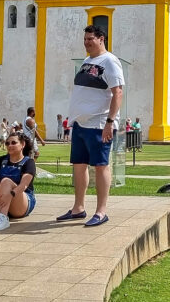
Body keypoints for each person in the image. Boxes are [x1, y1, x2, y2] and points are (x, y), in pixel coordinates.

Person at [58, 24, 123, 227]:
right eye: (85, 39)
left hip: (98, 123)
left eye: (90, 39)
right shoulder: (87, 61)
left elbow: (118, 92)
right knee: (79, 165)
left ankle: (101, 211)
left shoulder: (110, 61)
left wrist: (110, 122)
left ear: (101, 39)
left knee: (101, 166)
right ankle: (78, 208)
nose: (86, 43)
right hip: (80, 123)